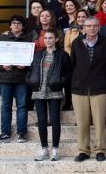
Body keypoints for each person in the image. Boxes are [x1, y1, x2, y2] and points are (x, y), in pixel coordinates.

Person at [70, 17, 106, 162]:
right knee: (82, 122)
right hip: (79, 88)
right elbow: (73, 64)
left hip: (99, 88)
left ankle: (100, 149)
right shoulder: (76, 43)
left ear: (99, 27)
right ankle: (83, 150)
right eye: (88, 26)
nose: (91, 28)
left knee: (99, 122)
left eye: (94, 26)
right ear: (83, 28)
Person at [26, 29, 72, 161]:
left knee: (55, 120)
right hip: (38, 91)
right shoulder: (38, 54)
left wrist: (61, 82)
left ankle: (55, 149)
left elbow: (69, 72)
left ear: (56, 39)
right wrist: (30, 81)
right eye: (45, 38)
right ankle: (44, 148)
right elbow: (30, 69)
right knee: (41, 120)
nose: (47, 40)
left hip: (54, 91)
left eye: (50, 38)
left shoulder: (62, 55)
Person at [0, 15, 30, 143]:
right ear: (10, 25)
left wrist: (26, 65)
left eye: (19, 23)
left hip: (22, 79)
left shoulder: (28, 40)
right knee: (6, 106)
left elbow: (33, 60)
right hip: (5, 78)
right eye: (14, 23)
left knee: (22, 106)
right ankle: (5, 133)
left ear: (23, 26)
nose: (16, 25)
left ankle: (22, 133)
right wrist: (1, 66)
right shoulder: (2, 38)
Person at [62, 8, 89, 111]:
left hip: (87, 62)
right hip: (72, 61)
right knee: (69, 82)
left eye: (83, 17)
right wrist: (72, 56)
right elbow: (67, 46)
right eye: (79, 17)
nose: (81, 19)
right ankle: (68, 102)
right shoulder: (70, 30)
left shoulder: (91, 29)